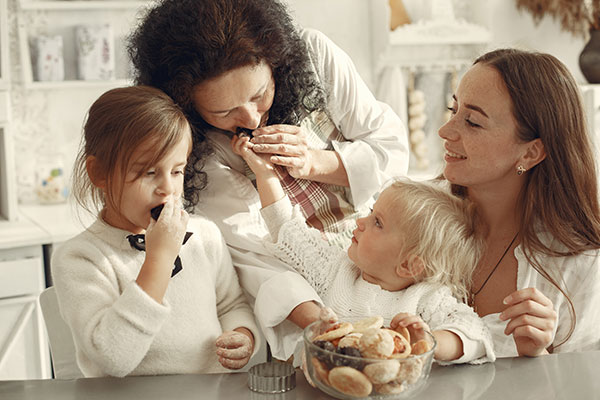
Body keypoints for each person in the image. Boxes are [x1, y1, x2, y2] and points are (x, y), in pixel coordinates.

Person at [128, 0, 409, 360]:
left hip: (385, 266)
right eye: (224, 112)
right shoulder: (196, 149)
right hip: (306, 296)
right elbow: (254, 253)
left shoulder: (315, 58)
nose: (250, 118)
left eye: (259, 95)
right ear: (188, 106)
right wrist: (324, 329)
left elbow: (392, 151)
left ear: (277, 62)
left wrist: (314, 161)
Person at [51, 86, 259, 377]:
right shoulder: (80, 259)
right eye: (148, 172)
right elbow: (112, 358)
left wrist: (242, 335)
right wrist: (159, 259)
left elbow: (231, 305)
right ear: (99, 173)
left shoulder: (204, 237)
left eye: (176, 171)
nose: (167, 188)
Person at [232, 134, 495, 364]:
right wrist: (264, 173)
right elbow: (287, 229)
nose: (360, 221)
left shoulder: (427, 299)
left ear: (409, 265)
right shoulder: (335, 270)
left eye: (377, 223)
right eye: (371, 213)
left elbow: (475, 333)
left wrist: (429, 341)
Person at [439, 48, 600, 357]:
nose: (445, 130)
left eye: (472, 122)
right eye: (453, 109)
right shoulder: (412, 218)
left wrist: (538, 357)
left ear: (530, 153)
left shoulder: (580, 267)